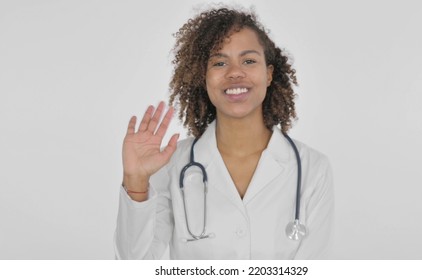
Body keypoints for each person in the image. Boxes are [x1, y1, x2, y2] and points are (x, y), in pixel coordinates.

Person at [115, 6, 334, 259]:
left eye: (249, 61)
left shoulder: (312, 169)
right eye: (219, 62)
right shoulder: (172, 164)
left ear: (269, 74)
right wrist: (136, 181)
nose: (234, 73)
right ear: (204, 77)